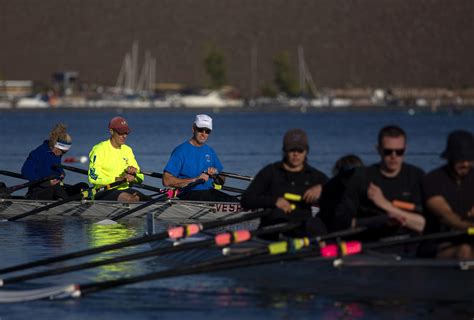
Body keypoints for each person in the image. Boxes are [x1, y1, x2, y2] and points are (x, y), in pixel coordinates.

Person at [319, 126, 425, 244]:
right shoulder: (361, 178)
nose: (393, 156)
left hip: (408, 244)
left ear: (406, 149)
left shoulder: (417, 176)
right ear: (378, 149)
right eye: (388, 151)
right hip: (369, 247)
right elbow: (342, 223)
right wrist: (379, 221)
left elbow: (424, 225)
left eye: (399, 152)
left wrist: (385, 205)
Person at [241, 128, 328, 238]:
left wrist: (323, 188)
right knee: (278, 216)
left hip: (301, 231)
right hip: (272, 231)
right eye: (292, 150)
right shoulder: (270, 172)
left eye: (300, 150)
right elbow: (246, 200)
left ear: (306, 152)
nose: (296, 154)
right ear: (284, 151)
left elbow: (340, 192)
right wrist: (274, 201)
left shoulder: (315, 176)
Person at [420, 130, 474, 259]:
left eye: (469, 159)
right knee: (464, 250)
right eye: (460, 160)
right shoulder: (432, 180)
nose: (465, 164)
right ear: (450, 158)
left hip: (471, 237)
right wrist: (470, 226)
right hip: (438, 243)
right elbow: (445, 215)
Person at [162, 114, 236, 202]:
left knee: (237, 201)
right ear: (193, 129)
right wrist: (196, 179)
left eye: (207, 131)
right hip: (188, 192)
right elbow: (166, 180)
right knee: (233, 203)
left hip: (208, 192)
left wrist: (216, 175)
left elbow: (222, 180)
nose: (203, 134)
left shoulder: (210, 151)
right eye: (200, 130)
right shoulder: (180, 151)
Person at [88, 116, 147, 202]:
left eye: (126, 133)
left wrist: (134, 176)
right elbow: (93, 177)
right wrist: (117, 179)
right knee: (131, 199)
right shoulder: (99, 149)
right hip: (104, 190)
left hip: (124, 189)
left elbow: (141, 176)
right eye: (121, 133)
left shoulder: (127, 150)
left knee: (149, 200)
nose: (124, 136)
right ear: (111, 131)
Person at [21, 123, 87, 200]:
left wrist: (61, 174)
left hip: (56, 190)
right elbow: (25, 171)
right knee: (55, 187)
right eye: (63, 152)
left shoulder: (57, 154)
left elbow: (55, 170)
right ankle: (69, 203)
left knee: (83, 186)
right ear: (55, 146)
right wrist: (46, 183)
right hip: (38, 192)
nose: (63, 154)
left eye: (65, 152)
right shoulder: (38, 153)